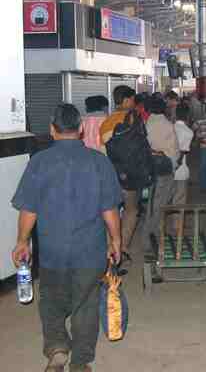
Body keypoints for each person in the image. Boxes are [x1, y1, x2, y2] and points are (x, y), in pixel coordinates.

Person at [12, 104, 122, 372]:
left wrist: (22, 241)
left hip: (52, 251)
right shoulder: (99, 162)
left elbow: (29, 209)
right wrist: (116, 241)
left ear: (52, 130)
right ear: (81, 129)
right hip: (89, 251)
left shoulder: (39, 162)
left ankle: (58, 347)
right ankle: (81, 362)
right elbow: (110, 210)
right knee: (85, 304)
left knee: (51, 301)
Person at [100, 85, 139, 263]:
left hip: (110, 173)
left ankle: (110, 247)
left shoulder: (107, 121)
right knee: (131, 210)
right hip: (129, 173)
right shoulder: (131, 119)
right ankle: (122, 247)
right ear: (125, 100)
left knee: (111, 210)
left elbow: (103, 148)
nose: (133, 102)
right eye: (132, 99)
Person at [143, 96, 179, 267]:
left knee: (151, 205)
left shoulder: (147, 124)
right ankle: (152, 241)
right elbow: (175, 152)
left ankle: (150, 240)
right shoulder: (167, 125)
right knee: (159, 206)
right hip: (165, 170)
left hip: (150, 170)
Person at [173, 104, 194, 211]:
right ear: (188, 115)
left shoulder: (170, 127)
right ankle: (177, 225)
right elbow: (184, 152)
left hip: (167, 169)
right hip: (181, 169)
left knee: (169, 198)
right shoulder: (188, 132)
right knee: (180, 199)